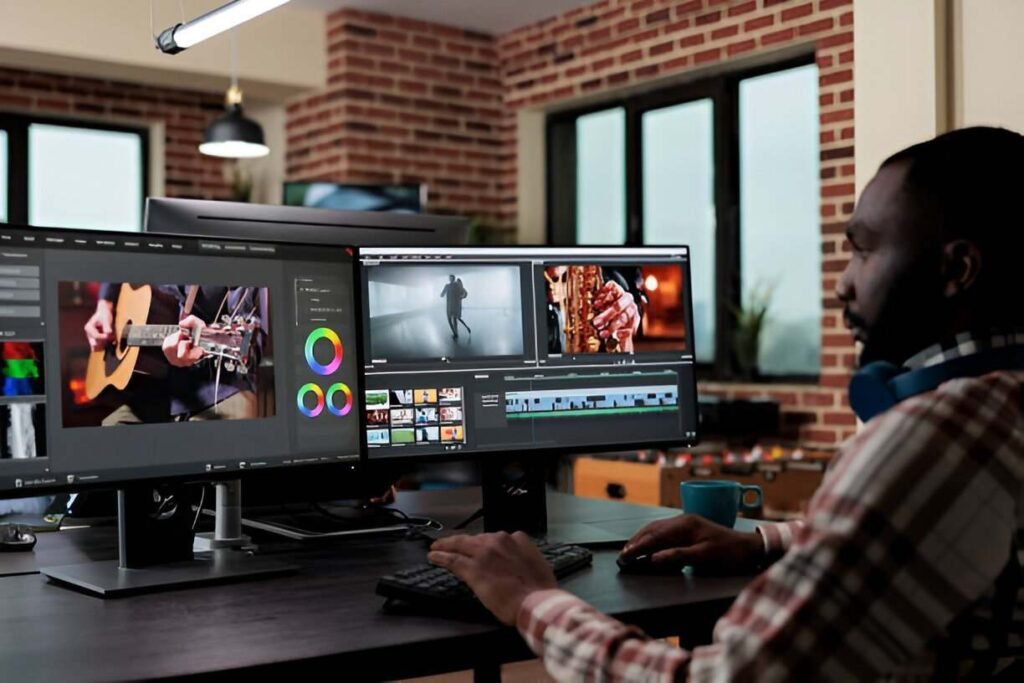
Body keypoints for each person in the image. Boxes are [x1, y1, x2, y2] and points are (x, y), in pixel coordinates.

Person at [428, 127, 1024, 680]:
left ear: (958, 269)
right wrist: (761, 542)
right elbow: (920, 531)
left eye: (864, 251)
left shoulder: (940, 433)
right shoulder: (998, 410)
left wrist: (532, 598)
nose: (844, 283)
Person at [84, 284, 267, 424]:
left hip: (216, 387)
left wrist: (200, 343)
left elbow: (254, 336)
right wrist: (104, 303)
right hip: (153, 390)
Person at [440, 274, 470, 339]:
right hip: (452, 305)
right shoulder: (453, 285)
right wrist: (461, 297)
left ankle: (455, 333)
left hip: (451, 305)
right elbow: (465, 293)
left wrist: (461, 297)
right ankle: (456, 333)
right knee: (454, 319)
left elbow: (465, 293)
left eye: (451, 278)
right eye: (450, 278)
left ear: (452, 279)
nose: (450, 279)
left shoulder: (452, 285)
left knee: (452, 319)